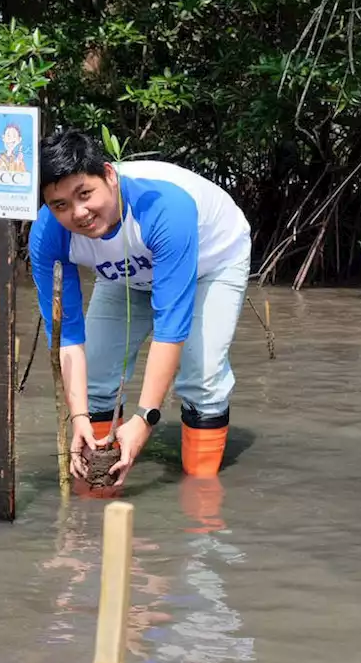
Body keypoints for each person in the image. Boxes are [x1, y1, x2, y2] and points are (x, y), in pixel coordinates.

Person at [29, 128, 252, 487]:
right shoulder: (48, 235)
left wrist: (144, 419)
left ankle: (202, 497)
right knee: (96, 377)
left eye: (85, 194)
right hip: (126, 274)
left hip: (212, 261)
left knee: (202, 376)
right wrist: (78, 416)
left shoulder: (165, 209)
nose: (79, 213)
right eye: (60, 205)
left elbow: (171, 328)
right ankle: (98, 487)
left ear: (110, 176)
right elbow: (67, 336)